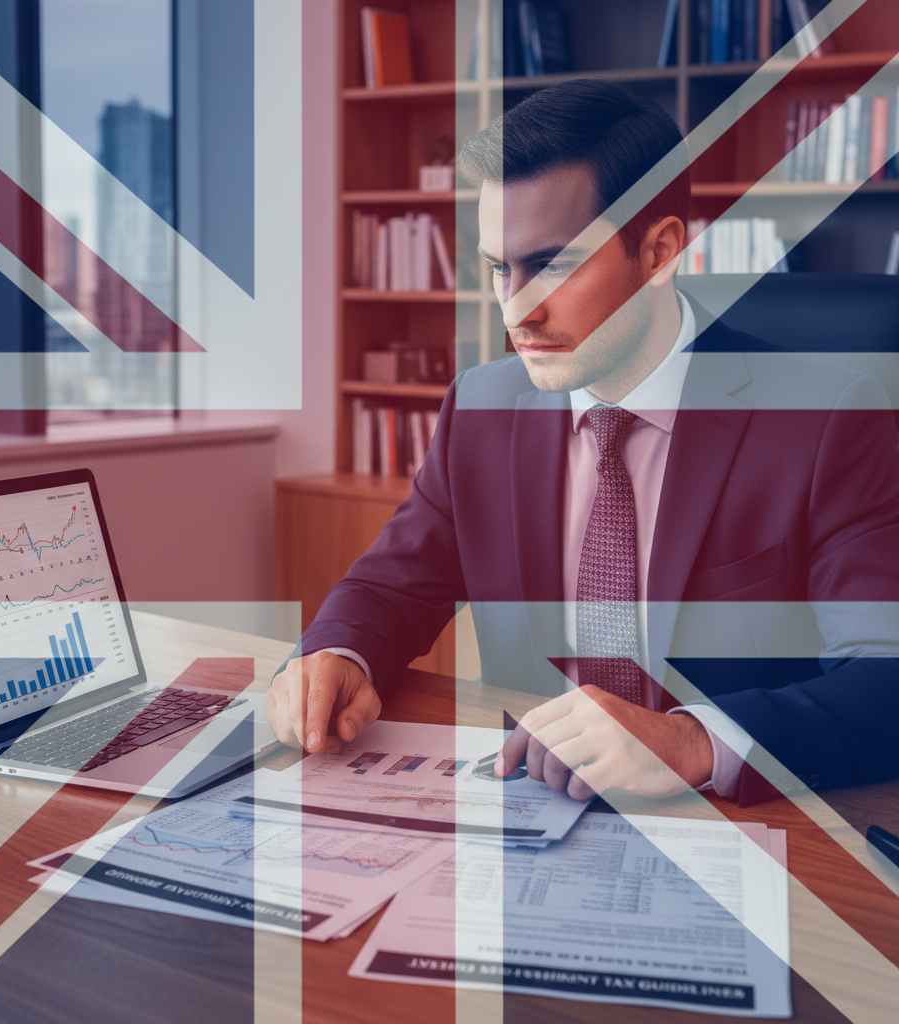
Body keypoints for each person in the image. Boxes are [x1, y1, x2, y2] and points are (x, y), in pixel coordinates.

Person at [267, 79, 899, 804]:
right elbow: (387, 588)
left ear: (659, 250)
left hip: (733, 827)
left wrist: (693, 741)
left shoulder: (826, 418)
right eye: (500, 269)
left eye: (555, 264)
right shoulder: (481, 406)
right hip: (527, 807)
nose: (517, 312)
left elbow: (888, 676)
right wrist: (333, 654)